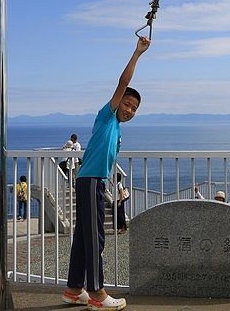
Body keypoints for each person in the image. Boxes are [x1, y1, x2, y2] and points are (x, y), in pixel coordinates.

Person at [62, 35, 150, 311]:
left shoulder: (117, 130)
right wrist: (137, 54)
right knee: (96, 237)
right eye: (127, 104)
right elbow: (122, 83)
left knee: (83, 237)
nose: (130, 110)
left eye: (134, 108)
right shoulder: (106, 115)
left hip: (94, 182)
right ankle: (97, 293)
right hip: (89, 182)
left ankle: (74, 290)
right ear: (118, 101)